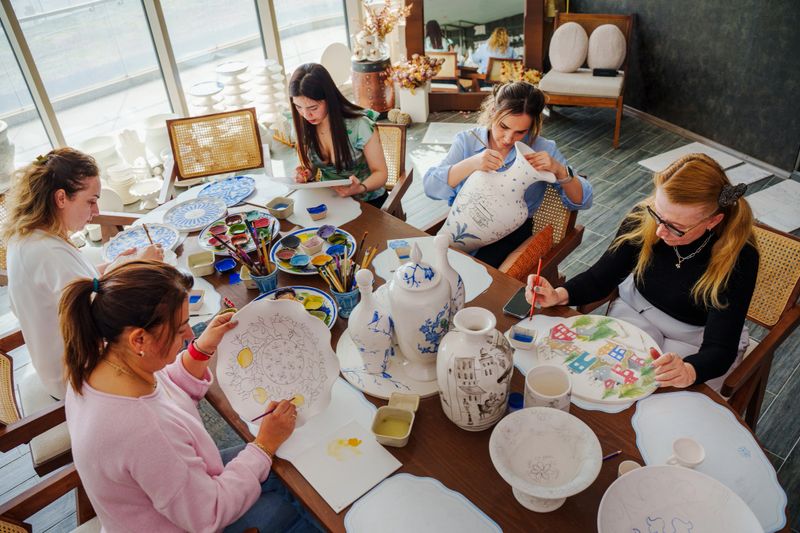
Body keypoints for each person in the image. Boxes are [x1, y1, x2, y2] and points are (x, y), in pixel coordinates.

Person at [61, 261, 320, 532]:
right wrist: (265, 443)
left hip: (184, 493)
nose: (189, 334)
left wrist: (201, 351)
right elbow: (209, 514)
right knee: (311, 504)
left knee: (294, 467)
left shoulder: (100, 363)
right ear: (139, 340)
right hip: (198, 517)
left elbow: (165, 392)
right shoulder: (144, 431)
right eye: (181, 327)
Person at [526, 154, 759, 391]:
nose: (659, 232)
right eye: (658, 214)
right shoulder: (643, 217)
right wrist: (559, 294)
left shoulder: (739, 256)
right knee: (603, 381)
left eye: (676, 228)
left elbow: (720, 348)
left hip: (695, 339)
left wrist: (690, 370)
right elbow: (601, 277)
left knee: (664, 401)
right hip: (637, 311)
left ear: (713, 221)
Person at [3, 148, 162, 399]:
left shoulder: (28, 237)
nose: (96, 211)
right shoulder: (46, 252)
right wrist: (136, 265)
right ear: (61, 198)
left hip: (58, 364)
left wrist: (119, 263)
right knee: (161, 321)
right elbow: (102, 312)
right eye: (90, 201)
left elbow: (79, 285)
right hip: (78, 375)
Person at [423, 81, 592, 268]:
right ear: (493, 111)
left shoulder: (542, 148)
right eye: (503, 126)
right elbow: (430, 186)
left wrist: (560, 170)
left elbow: (583, 201)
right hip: (462, 221)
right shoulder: (468, 140)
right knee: (431, 267)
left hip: (511, 234)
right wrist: (472, 163)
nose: (509, 139)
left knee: (471, 279)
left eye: (520, 132)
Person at [289, 63, 389, 209]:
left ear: (329, 99)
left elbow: (381, 173)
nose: (306, 115)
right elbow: (312, 166)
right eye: (298, 107)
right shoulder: (303, 126)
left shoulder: (359, 126)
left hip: (367, 202)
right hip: (328, 201)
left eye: (313, 108)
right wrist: (306, 172)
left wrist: (360, 187)